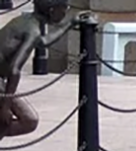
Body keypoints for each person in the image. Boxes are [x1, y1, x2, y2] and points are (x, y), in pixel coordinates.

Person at [0, 0, 87, 140]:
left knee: (28, 120)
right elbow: (14, 70)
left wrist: (70, 23)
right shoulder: (32, 30)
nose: (65, 12)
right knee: (27, 120)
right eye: (64, 8)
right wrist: (6, 106)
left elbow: (43, 42)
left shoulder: (25, 20)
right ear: (52, 10)